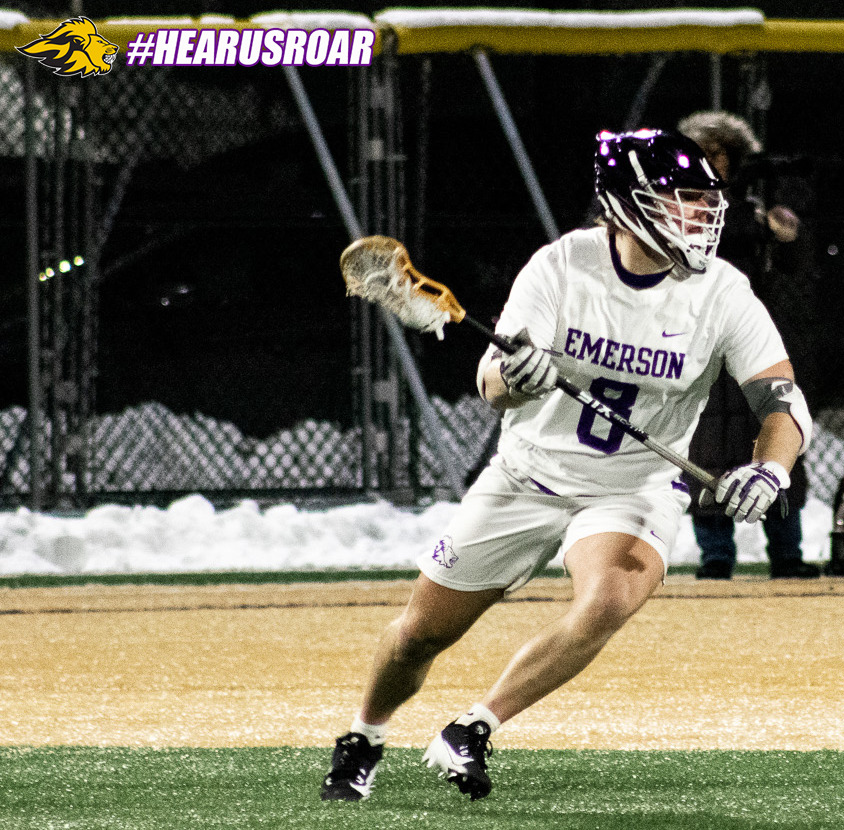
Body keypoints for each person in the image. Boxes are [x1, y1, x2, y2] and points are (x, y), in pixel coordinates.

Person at [320, 128, 816, 801]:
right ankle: (362, 737)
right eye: (683, 200)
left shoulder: (721, 290)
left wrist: (770, 471)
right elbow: (492, 386)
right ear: (624, 203)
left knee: (609, 595)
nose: (701, 215)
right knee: (418, 636)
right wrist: (519, 375)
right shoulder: (561, 266)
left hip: (633, 487)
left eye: (707, 202)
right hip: (527, 475)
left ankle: (473, 727)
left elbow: (779, 398)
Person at [676, 110, 820, 580]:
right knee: (707, 449)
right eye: (705, 153)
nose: (714, 163)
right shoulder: (677, 207)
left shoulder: (759, 205)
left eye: (722, 154)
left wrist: (787, 237)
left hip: (756, 339)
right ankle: (716, 554)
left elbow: (795, 274)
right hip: (700, 341)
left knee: (775, 439)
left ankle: (786, 553)